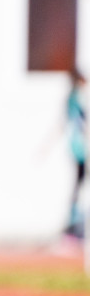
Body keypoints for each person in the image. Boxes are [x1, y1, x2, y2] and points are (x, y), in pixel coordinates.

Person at [67, 69, 86, 239]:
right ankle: (74, 226)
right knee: (79, 186)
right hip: (81, 149)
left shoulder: (74, 98)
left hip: (78, 148)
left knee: (79, 186)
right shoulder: (77, 99)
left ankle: (75, 224)